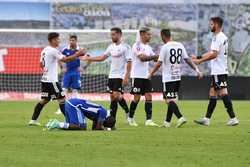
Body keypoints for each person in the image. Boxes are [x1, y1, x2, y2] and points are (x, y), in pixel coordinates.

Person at [28, 32, 86, 126]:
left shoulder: (45, 50)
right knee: (62, 99)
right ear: (53, 40)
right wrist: (78, 54)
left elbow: (40, 64)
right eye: (58, 39)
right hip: (52, 81)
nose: (59, 41)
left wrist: (47, 69)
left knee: (44, 100)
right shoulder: (53, 50)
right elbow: (65, 59)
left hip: (45, 79)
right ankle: (70, 121)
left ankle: (33, 120)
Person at [149, 29, 203, 128]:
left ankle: (180, 117)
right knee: (172, 99)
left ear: (163, 36)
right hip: (177, 77)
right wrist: (197, 70)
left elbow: (159, 63)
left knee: (168, 100)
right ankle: (167, 122)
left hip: (168, 78)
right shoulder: (180, 45)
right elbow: (187, 60)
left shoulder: (165, 47)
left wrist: (151, 73)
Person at [192, 17, 239, 126]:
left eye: (211, 24)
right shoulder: (220, 37)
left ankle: (233, 118)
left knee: (223, 93)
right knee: (213, 93)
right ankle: (207, 119)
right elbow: (212, 52)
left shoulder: (218, 37)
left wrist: (200, 61)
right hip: (220, 70)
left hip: (219, 71)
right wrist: (198, 56)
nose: (210, 26)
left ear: (217, 25)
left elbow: (214, 54)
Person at [82, 27, 131, 124]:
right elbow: (102, 58)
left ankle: (113, 119)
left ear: (119, 35)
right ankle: (126, 112)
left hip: (120, 75)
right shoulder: (111, 47)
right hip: (111, 76)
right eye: (111, 34)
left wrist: (126, 76)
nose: (112, 36)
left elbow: (129, 61)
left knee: (115, 96)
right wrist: (90, 59)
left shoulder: (126, 47)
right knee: (115, 97)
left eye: (113, 34)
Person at [127, 27, 159, 127]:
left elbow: (154, 58)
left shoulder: (148, 47)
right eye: (148, 34)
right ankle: (130, 118)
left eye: (150, 34)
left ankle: (148, 120)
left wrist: (161, 56)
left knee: (149, 96)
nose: (150, 36)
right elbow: (142, 58)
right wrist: (154, 57)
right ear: (142, 34)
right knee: (136, 97)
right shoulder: (137, 45)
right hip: (137, 76)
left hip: (146, 76)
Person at [45, 98, 116, 130]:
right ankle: (57, 124)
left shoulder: (101, 111)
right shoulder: (103, 113)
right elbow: (98, 127)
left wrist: (104, 127)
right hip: (75, 105)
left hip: (71, 103)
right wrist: (106, 129)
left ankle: (56, 125)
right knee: (81, 126)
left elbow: (94, 129)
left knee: (72, 126)